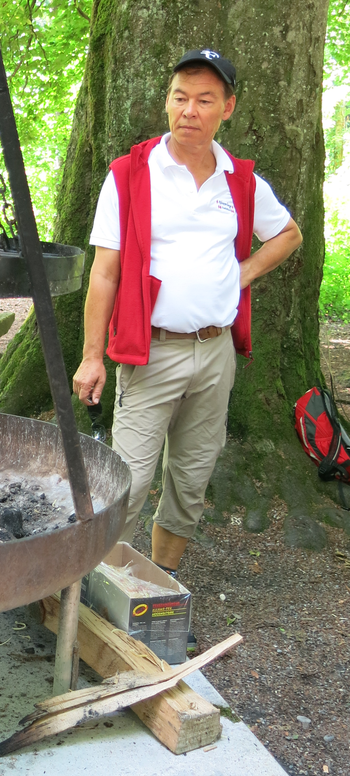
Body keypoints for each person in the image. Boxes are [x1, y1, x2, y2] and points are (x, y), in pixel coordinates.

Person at [72, 48, 302, 578]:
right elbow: (104, 273)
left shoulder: (239, 180)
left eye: (204, 100)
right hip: (150, 350)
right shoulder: (131, 174)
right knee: (127, 480)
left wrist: (240, 274)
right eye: (180, 98)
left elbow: (288, 234)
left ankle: (159, 583)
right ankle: (100, 589)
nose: (189, 111)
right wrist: (91, 356)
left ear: (228, 108)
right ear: (167, 102)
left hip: (216, 351)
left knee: (191, 480)